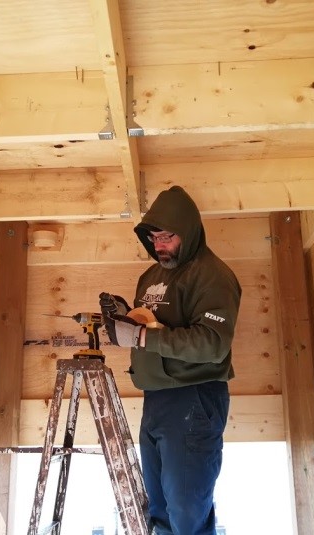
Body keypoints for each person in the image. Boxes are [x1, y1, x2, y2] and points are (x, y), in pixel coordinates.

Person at [99, 185, 241, 535]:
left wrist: (144, 336)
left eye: (167, 237)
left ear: (189, 232)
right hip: (157, 399)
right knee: (159, 509)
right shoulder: (151, 276)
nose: (159, 245)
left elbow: (212, 343)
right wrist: (126, 321)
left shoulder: (213, 275)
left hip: (194, 399)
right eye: (154, 237)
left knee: (187, 511)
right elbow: (150, 323)